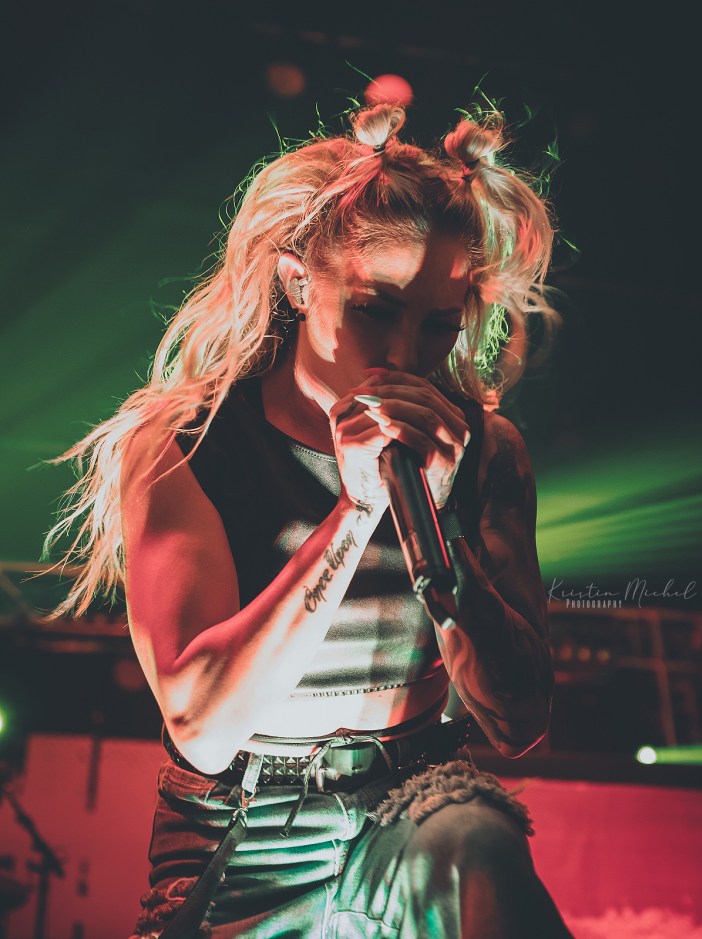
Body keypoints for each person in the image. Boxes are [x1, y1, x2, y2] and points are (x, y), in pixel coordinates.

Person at [46, 102, 574, 937]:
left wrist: (444, 532)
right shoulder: (189, 444)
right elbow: (203, 726)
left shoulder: (485, 451)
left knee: (482, 849)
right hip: (243, 823)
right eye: (375, 310)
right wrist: (356, 511)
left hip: (416, 795)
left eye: (439, 325)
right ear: (299, 283)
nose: (404, 355)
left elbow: (518, 722)